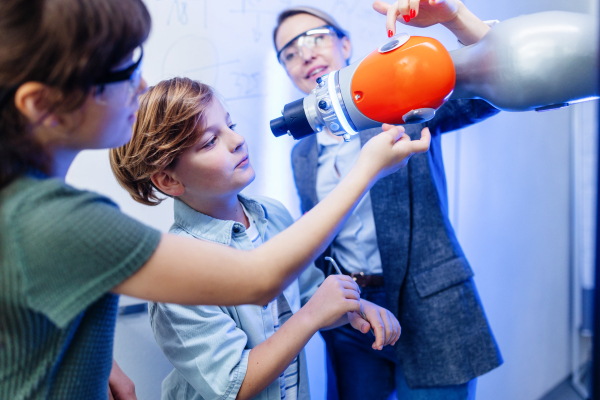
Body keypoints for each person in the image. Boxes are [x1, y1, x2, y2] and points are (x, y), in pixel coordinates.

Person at [0, 0, 429, 398]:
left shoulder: (28, 210)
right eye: (122, 70)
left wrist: (97, 360)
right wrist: (366, 171)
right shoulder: (55, 220)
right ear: (42, 104)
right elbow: (262, 280)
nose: (142, 84)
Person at [109, 77, 404, 400]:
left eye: (230, 125)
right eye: (210, 142)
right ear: (168, 179)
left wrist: (353, 309)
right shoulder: (173, 271)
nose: (237, 140)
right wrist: (312, 315)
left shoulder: (272, 214)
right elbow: (234, 385)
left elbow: (307, 297)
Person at [273, 1, 502, 399]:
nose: (304, 54)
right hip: (353, 318)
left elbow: (489, 93)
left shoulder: (397, 100)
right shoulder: (302, 153)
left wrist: (455, 17)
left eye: (314, 39)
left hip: (430, 304)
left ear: (345, 45)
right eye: (289, 53)